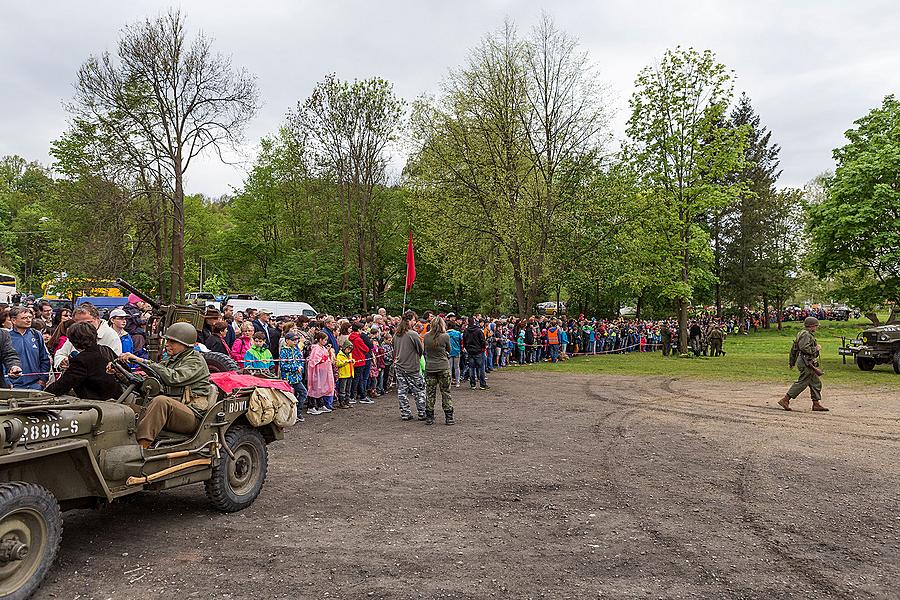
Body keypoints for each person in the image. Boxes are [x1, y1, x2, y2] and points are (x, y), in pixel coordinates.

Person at [115, 322, 212, 449]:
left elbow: (173, 378)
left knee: (161, 402)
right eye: (167, 341)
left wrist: (142, 361)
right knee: (121, 409)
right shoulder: (171, 359)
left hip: (191, 415)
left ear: (185, 344)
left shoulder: (195, 361)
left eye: (172, 342)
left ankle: (141, 448)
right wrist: (120, 374)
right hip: (170, 410)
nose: (167, 344)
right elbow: (149, 383)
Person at [46, 322, 122, 400]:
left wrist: (44, 394)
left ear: (73, 342)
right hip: (118, 398)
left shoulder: (81, 360)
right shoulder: (106, 350)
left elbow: (62, 385)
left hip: (98, 403)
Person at [779, 316, 829, 412]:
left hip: (807, 362)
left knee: (815, 383)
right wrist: (816, 349)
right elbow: (804, 348)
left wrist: (792, 361)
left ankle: (816, 404)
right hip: (806, 362)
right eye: (816, 326)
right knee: (802, 383)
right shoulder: (806, 335)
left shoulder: (802, 333)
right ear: (811, 326)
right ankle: (785, 400)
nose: (817, 327)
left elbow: (794, 348)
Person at [54, 304, 122, 369]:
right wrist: (62, 361)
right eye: (79, 324)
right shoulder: (76, 333)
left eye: (88, 322)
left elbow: (115, 363)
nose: (84, 327)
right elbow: (60, 354)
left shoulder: (111, 335)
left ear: (97, 318)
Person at [393, 310, 426, 421]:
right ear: (408, 321)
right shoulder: (413, 334)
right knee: (419, 390)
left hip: (399, 366)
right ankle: (422, 412)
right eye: (414, 320)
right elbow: (421, 350)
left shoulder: (396, 334)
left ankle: (405, 413)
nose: (415, 322)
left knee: (402, 390)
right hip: (412, 366)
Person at [8, 307, 50, 390]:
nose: (28, 320)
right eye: (24, 318)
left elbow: (44, 359)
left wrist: (43, 379)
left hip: (35, 385)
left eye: (30, 317)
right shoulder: (6, 337)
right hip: (13, 386)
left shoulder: (36, 335)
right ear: (14, 320)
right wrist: (7, 382)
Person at [423, 316, 453, 425]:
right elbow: (449, 349)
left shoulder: (426, 336)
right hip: (443, 367)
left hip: (430, 367)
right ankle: (449, 417)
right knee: (446, 392)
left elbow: (424, 350)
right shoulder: (445, 336)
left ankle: (429, 417)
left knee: (430, 392)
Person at [279, 332, 308, 419]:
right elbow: (283, 366)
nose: (295, 341)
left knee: (303, 392)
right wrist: (295, 368)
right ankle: (287, 414)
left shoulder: (296, 349)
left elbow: (301, 361)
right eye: (293, 340)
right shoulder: (283, 351)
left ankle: (297, 412)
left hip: (297, 378)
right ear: (287, 340)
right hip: (287, 378)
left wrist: (300, 368)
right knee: (287, 397)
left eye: (296, 340)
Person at [306, 331, 335, 414]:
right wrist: (324, 358)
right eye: (325, 340)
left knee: (321, 388)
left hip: (323, 372)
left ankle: (320, 405)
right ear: (320, 339)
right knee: (315, 388)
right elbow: (314, 361)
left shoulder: (323, 348)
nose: (326, 342)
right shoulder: (316, 348)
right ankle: (311, 406)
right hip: (317, 372)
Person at [463, 317, 488, 389]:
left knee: (471, 368)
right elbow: (483, 341)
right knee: (481, 368)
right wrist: (483, 348)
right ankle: (482, 384)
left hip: (470, 351)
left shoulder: (466, 331)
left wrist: (467, 348)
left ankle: (473, 384)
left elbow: (464, 341)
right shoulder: (478, 331)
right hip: (478, 351)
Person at [334, 340, 355, 409]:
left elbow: (351, 364)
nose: (349, 350)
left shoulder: (350, 355)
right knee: (342, 389)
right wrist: (346, 361)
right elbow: (338, 364)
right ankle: (341, 402)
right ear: (344, 348)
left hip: (350, 374)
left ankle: (347, 401)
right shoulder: (340, 355)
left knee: (348, 389)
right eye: (348, 349)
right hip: (343, 375)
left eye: (350, 349)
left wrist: (352, 361)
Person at [448, 322, 462, 388]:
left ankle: (449, 382)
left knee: (449, 368)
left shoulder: (445, 334)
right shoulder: (458, 333)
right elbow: (461, 341)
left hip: (449, 352)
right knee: (457, 367)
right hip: (457, 351)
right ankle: (457, 382)